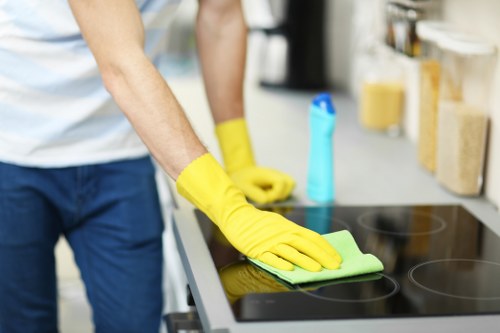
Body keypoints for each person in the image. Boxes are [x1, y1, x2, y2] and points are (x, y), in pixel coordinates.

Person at [0, 0, 342, 332]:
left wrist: (239, 159)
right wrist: (230, 208)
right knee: (23, 324)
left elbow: (220, 17)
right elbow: (120, 63)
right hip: (14, 150)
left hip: (122, 151)